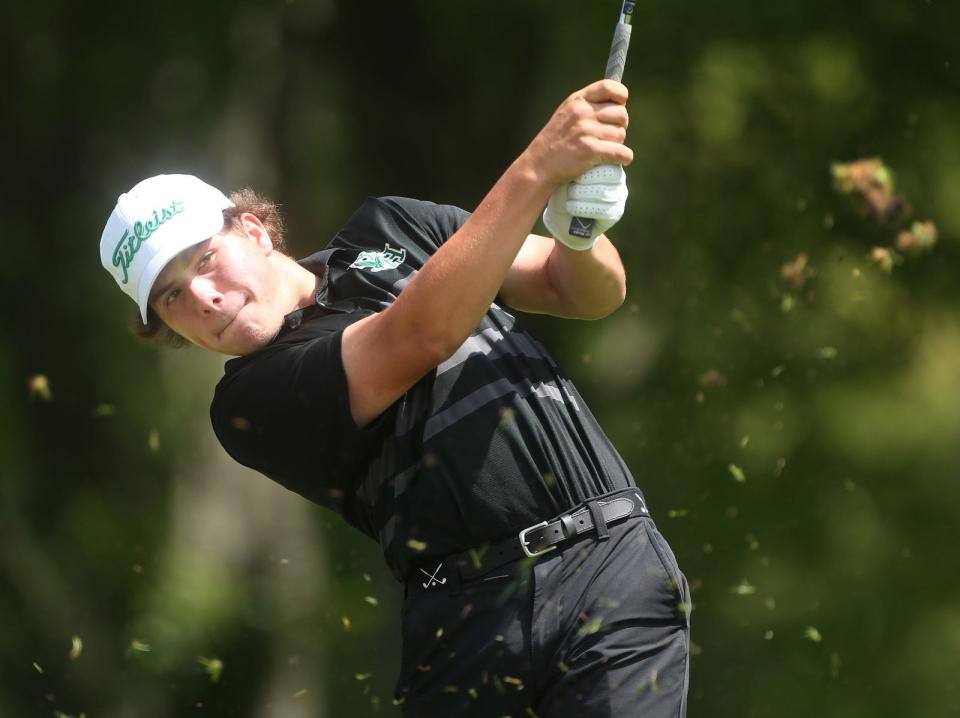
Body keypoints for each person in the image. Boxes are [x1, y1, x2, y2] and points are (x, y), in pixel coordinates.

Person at [100, 79, 690, 717]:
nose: (203, 298)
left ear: (255, 230)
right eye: (171, 297)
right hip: (468, 621)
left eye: (205, 259)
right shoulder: (249, 404)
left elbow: (583, 292)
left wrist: (578, 232)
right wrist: (539, 166)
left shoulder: (392, 225)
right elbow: (421, 334)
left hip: (615, 570)